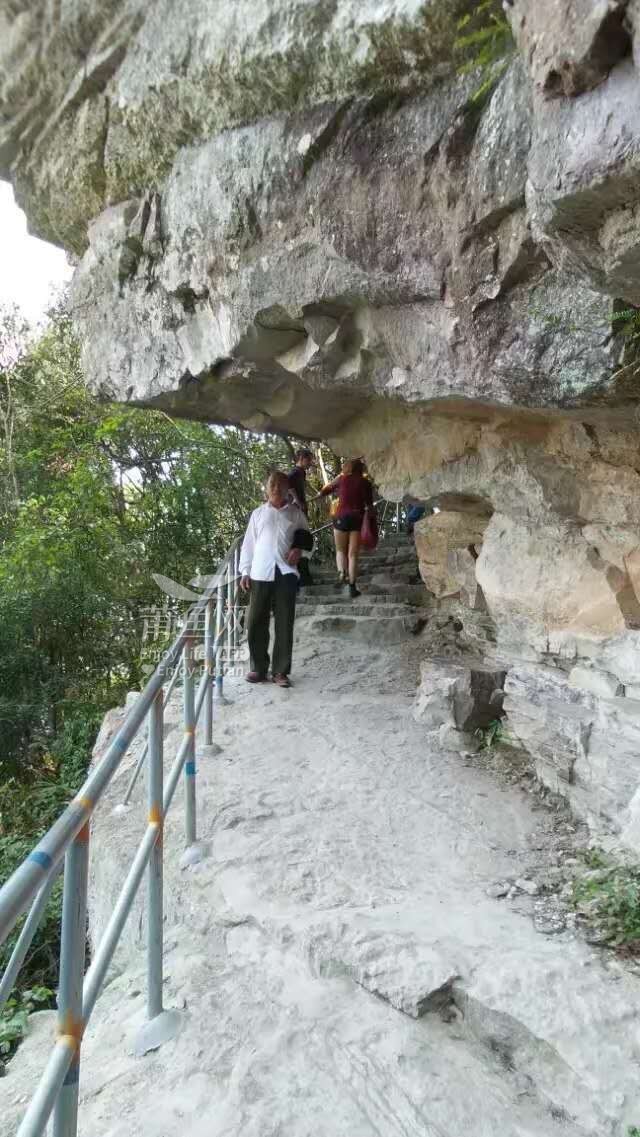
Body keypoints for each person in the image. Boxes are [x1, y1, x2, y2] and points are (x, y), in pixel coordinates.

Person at [239, 470, 312, 689]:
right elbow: (248, 545)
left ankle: (280, 671)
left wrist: (299, 550)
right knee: (255, 622)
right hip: (260, 572)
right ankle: (258, 668)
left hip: (286, 572)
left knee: (284, 622)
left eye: (280, 484)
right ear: (266, 487)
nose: (275, 487)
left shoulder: (296, 514)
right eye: (272, 484)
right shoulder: (258, 514)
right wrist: (245, 570)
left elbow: (309, 541)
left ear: (287, 487)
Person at [320, 458, 374, 598]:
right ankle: (352, 586)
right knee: (353, 554)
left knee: (340, 550)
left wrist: (338, 478)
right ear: (361, 469)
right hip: (357, 518)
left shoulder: (341, 479)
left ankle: (341, 572)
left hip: (340, 517)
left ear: (347, 467)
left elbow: (324, 491)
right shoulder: (365, 483)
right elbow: (370, 505)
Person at [288, 448, 315, 586]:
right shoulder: (295, 472)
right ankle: (301, 577)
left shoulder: (301, 473)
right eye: (309, 459)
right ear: (302, 459)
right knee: (301, 540)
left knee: (303, 541)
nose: (310, 463)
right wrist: (297, 501)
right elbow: (288, 486)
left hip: (300, 510)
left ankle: (303, 576)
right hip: (296, 512)